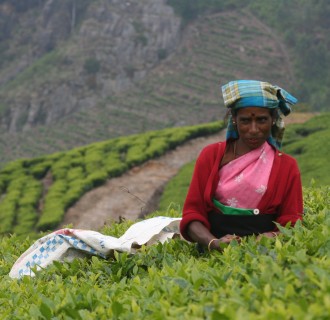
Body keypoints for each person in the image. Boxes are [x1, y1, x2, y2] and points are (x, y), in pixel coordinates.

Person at [180, 80, 303, 252]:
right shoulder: (211, 156)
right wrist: (213, 243)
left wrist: (272, 236)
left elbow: (292, 221)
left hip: (263, 254)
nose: (253, 129)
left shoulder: (287, 166)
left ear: (273, 120)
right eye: (245, 120)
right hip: (211, 251)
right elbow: (193, 214)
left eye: (261, 120)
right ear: (235, 120)